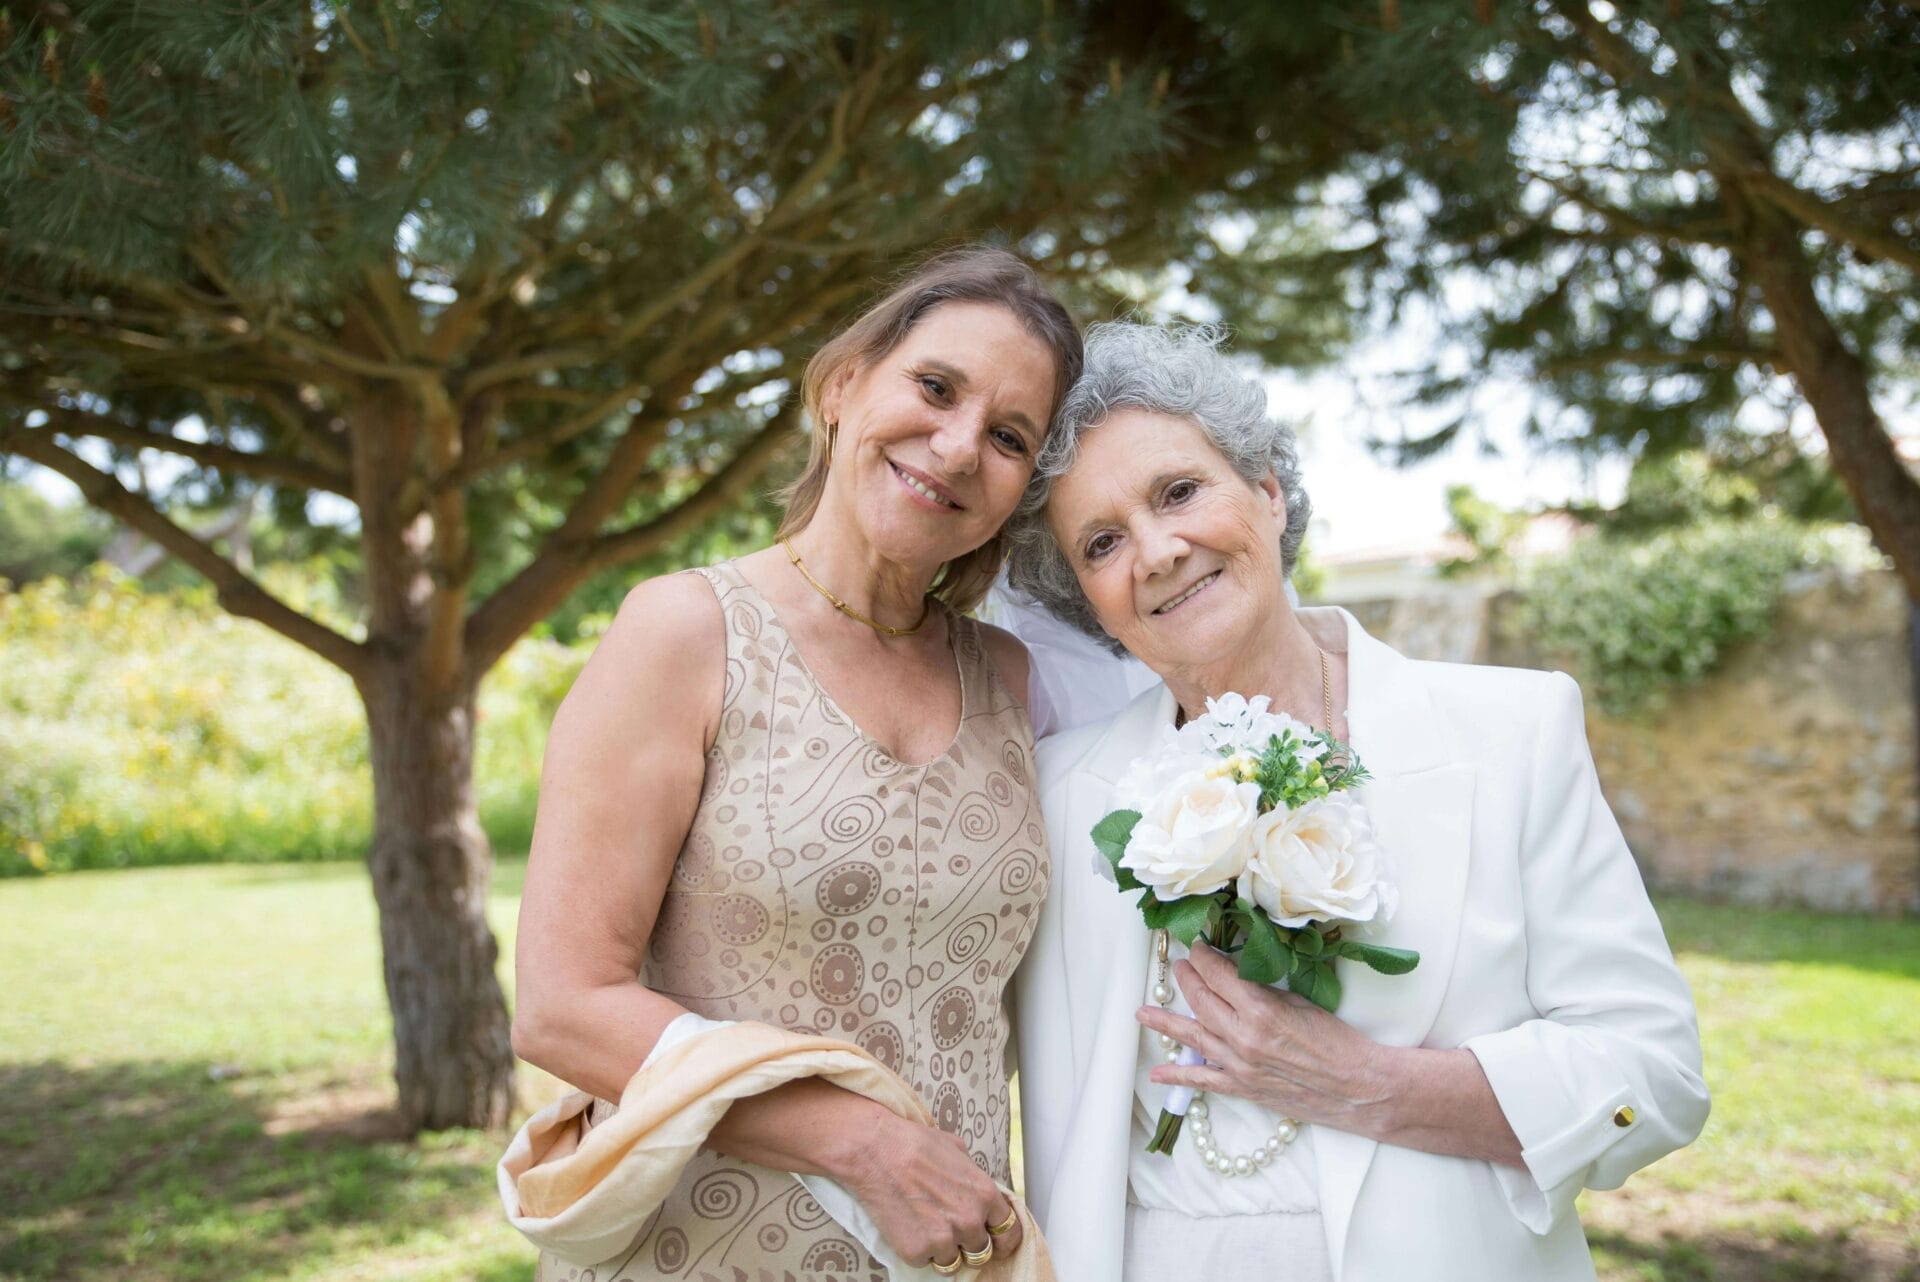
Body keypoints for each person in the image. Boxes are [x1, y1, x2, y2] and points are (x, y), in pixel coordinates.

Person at [1004, 322, 1709, 1281]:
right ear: (1089, 599)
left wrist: (1370, 1087)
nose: (1158, 551)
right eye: (1102, 542)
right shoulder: (1052, 793)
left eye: (1179, 492)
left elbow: (1655, 1075)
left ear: (1267, 490)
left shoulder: (1514, 731)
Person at [511, 246, 1081, 1280]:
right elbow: (563, 1001)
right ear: (841, 385)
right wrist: (863, 1141)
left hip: (944, 1260)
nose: (957, 448)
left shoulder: (1012, 678)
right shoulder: (686, 631)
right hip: (703, 1247)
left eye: (1008, 436)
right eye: (935, 387)